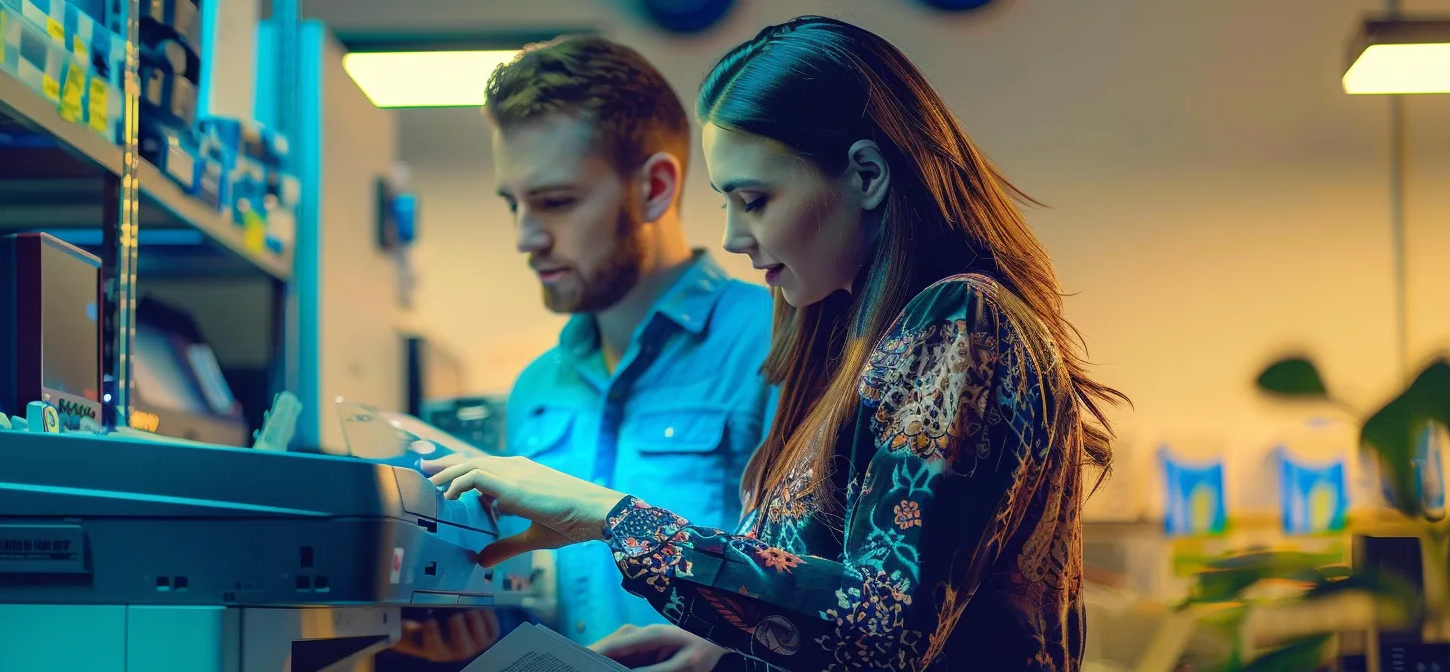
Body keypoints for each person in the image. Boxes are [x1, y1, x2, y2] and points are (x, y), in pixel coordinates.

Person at [424, 15, 1127, 672]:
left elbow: (884, 632)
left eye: (754, 200)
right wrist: (725, 651)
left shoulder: (958, 316)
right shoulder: (860, 341)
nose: (732, 236)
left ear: (867, 175)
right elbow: (840, 609)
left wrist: (610, 518)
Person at [387, 35, 779, 666]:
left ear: (653, 188)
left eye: (555, 201)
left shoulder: (780, 342)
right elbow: (541, 597)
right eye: (513, 203)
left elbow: (836, 592)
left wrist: (726, 648)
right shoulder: (535, 390)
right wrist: (478, 629)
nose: (525, 237)